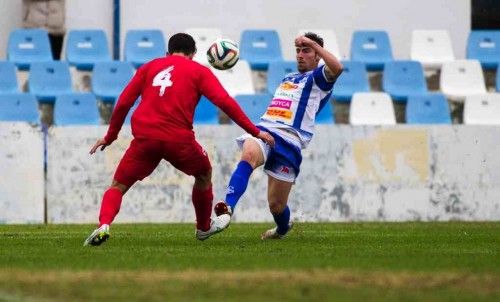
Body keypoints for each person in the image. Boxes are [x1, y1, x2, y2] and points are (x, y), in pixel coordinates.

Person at [84, 33, 275, 246]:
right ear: (192, 55)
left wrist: (111, 136)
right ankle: (203, 227)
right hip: (179, 140)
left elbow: (123, 103)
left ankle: (104, 225)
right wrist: (255, 131)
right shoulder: (199, 71)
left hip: (145, 139)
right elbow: (224, 102)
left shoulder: (148, 67)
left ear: (167, 53)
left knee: (118, 185)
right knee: (204, 173)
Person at [214, 33, 343, 240]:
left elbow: (337, 68)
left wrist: (313, 44)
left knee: (276, 205)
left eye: (306, 50)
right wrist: (260, 131)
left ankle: (282, 229)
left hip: (291, 141)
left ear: (317, 55)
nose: (300, 55)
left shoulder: (319, 79)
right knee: (248, 153)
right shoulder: (288, 78)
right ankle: (227, 209)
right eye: (298, 50)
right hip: (266, 130)